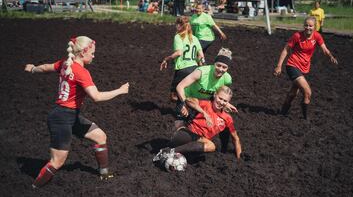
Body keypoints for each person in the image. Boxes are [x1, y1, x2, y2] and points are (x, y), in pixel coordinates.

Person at [24, 36, 130, 188]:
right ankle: (34, 187)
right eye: (92, 53)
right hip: (61, 118)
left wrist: (33, 68)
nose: (94, 56)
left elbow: (47, 67)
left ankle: (104, 173)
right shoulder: (81, 72)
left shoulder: (65, 64)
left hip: (70, 115)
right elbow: (97, 97)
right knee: (58, 161)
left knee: (100, 136)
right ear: (82, 53)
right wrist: (120, 91)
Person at [153, 86, 242, 163]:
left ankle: (171, 153)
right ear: (215, 95)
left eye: (225, 101)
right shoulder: (205, 104)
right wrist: (203, 112)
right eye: (220, 98)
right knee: (211, 145)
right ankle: (168, 152)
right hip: (185, 134)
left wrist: (239, 159)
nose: (221, 102)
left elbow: (235, 138)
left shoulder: (227, 118)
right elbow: (189, 100)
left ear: (228, 102)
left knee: (208, 147)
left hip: (196, 145)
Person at [274, 17, 338, 120]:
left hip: (304, 68)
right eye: (306, 25)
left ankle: (282, 112)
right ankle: (305, 118)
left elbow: (324, 49)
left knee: (293, 93)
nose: (308, 28)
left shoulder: (317, 36)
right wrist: (279, 66)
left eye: (310, 26)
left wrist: (331, 56)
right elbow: (286, 49)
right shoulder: (297, 36)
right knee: (308, 92)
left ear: (315, 27)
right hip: (292, 65)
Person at [160, 16, 204, 102]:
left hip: (183, 69)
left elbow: (179, 53)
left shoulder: (178, 36)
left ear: (179, 25)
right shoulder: (195, 38)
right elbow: (201, 56)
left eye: (176, 24)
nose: (175, 26)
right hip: (194, 69)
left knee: (174, 95)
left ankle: (185, 106)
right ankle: (184, 109)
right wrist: (201, 67)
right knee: (186, 91)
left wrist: (166, 59)